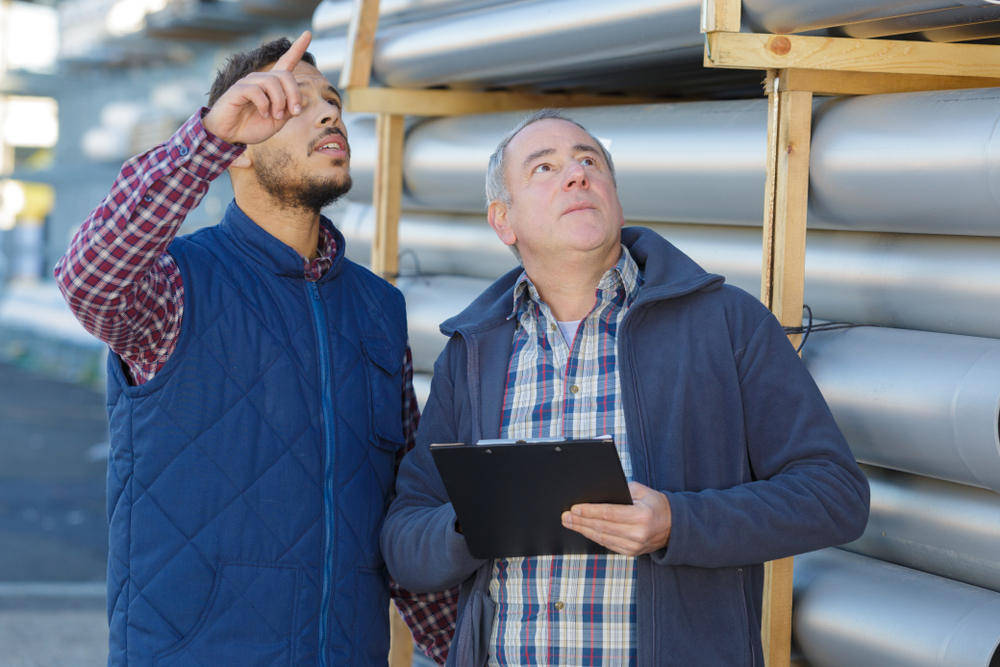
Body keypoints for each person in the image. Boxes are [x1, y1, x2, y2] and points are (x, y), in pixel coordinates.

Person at [380, 109, 870, 667]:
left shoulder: (727, 324)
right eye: (544, 168)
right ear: (503, 220)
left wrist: (677, 523)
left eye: (589, 161)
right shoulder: (473, 352)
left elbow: (835, 495)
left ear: (614, 197)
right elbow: (404, 540)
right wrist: (473, 522)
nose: (576, 174)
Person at [55, 32, 456, 667]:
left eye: (333, 102)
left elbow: (400, 505)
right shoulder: (176, 284)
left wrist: (462, 647)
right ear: (235, 148)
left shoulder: (380, 309)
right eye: (293, 103)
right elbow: (88, 277)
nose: (328, 114)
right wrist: (205, 140)